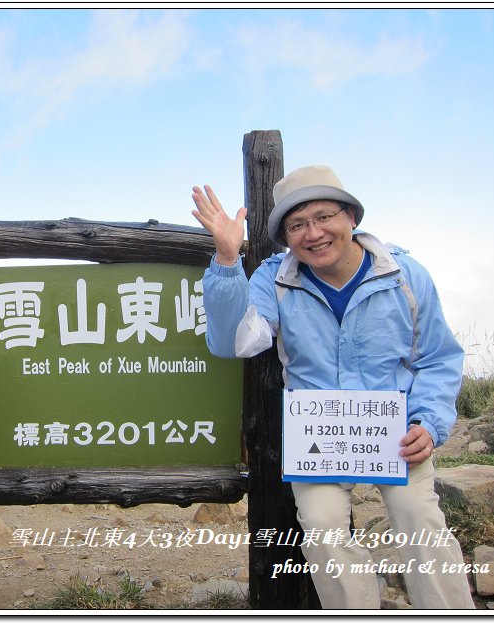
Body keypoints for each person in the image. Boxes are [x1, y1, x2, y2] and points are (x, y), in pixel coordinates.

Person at [190, 165, 474, 609]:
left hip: (397, 435)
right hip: (319, 438)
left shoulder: (404, 275)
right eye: (297, 225)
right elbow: (236, 342)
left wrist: (429, 422)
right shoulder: (275, 279)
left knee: (421, 521)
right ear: (286, 236)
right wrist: (228, 263)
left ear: (351, 218)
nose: (313, 233)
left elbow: (438, 357)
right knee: (321, 530)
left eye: (324, 217)